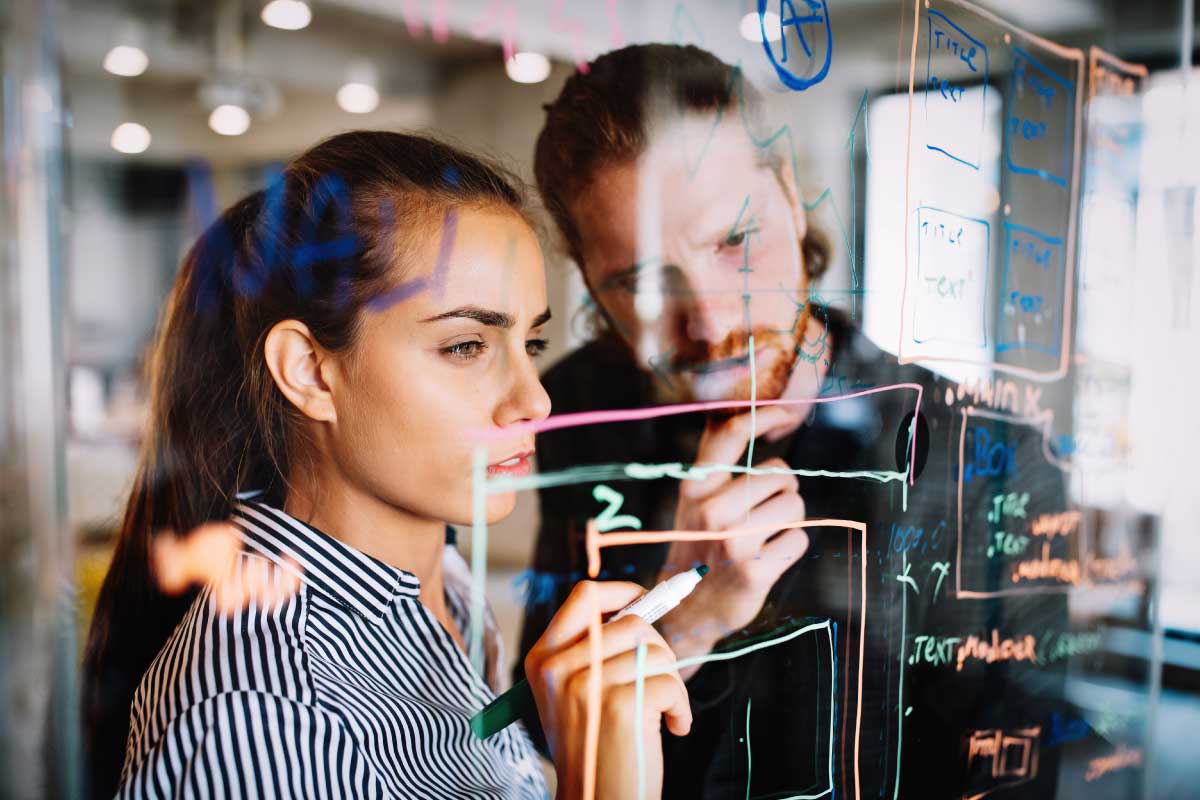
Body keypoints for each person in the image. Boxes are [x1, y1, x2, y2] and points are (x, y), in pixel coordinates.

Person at [518, 44, 1068, 799]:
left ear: (788, 193)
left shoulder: (986, 451)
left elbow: (1014, 776)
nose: (710, 324)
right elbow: (542, 736)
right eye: (643, 284)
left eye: (735, 242)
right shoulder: (574, 412)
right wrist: (682, 625)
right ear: (591, 286)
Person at [82, 130, 693, 800]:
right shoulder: (264, 714)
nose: (535, 399)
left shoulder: (448, 591)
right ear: (311, 371)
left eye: (531, 341)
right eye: (465, 346)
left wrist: (699, 619)